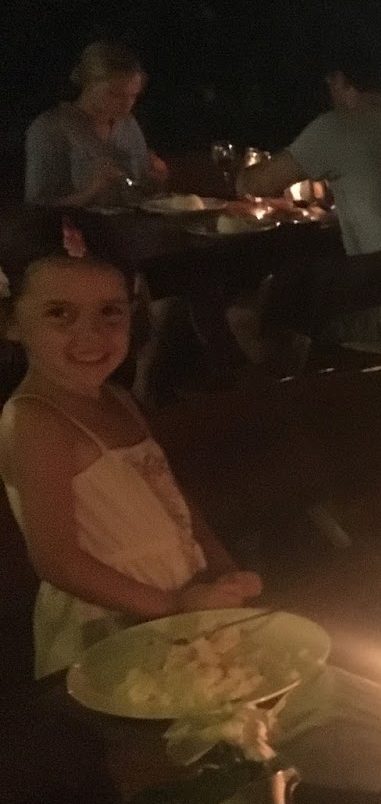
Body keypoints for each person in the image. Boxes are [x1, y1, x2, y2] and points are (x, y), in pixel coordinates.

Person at [0, 239, 260, 677]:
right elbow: (58, 561)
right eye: (59, 313)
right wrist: (173, 606)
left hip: (184, 599)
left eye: (110, 311)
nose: (92, 333)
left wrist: (222, 569)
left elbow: (173, 499)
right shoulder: (35, 421)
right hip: (109, 622)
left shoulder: (119, 400)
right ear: (11, 322)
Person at [235, 34, 381, 351]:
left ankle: (286, 381)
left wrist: (243, 169)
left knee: (249, 313)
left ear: (340, 81)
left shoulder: (336, 127)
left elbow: (253, 185)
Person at [25, 42, 169, 208]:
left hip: (130, 222)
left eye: (133, 96)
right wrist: (91, 191)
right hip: (79, 224)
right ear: (89, 85)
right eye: (115, 94)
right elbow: (38, 207)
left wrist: (154, 180)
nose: (126, 105)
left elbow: (139, 191)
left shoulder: (128, 124)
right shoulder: (51, 129)